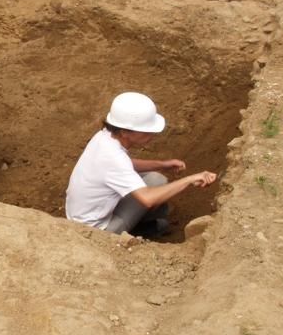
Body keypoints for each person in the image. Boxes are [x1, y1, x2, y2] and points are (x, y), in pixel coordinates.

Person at [65, 92, 217, 235]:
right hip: (94, 230)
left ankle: (139, 221)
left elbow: (124, 165)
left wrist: (162, 164)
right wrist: (190, 179)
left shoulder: (104, 136)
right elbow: (148, 199)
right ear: (124, 131)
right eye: (145, 131)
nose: (152, 135)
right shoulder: (113, 158)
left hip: (79, 215)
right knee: (156, 190)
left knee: (156, 179)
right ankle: (135, 230)